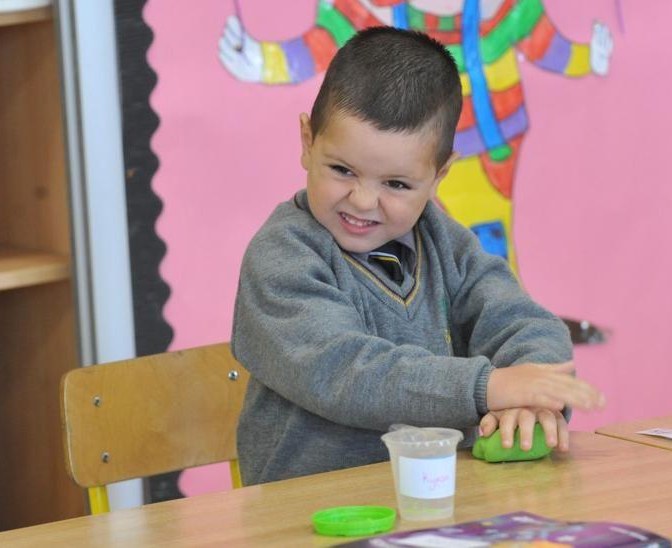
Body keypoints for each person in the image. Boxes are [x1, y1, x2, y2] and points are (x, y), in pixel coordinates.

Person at [232, 26, 604, 486]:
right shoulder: (282, 257)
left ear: (439, 174)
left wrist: (530, 395)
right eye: (342, 169)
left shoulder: (442, 240)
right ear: (308, 142)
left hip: (443, 505)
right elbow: (347, 372)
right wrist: (490, 388)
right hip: (307, 516)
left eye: (397, 184)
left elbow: (523, 321)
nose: (364, 200)